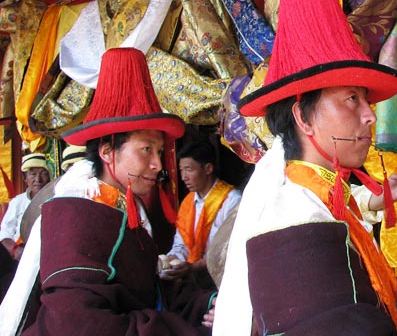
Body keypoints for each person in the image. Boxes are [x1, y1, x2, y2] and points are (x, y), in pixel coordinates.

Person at [213, 0, 397, 336]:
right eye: (352, 98)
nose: (370, 114)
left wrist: (377, 198)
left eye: (365, 99)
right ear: (303, 117)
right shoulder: (294, 227)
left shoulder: (314, 194)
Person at [11, 48, 216, 335]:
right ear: (108, 151)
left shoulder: (125, 206)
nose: (157, 164)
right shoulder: (76, 215)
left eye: (159, 151)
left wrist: (209, 304)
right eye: (146, 149)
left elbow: (148, 293)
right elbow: (78, 324)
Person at [160, 141, 242, 288]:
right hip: (194, 279)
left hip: (223, 280)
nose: (184, 177)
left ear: (208, 169)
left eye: (189, 170)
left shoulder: (232, 200)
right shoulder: (188, 202)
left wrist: (193, 267)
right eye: (181, 170)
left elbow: (230, 250)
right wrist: (171, 260)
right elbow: (181, 244)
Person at [0, 153, 50, 261]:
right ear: (25, 178)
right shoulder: (18, 202)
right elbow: (4, 232)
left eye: (44, 174)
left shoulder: (55, 199)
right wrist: (15, 250)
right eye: (33, 174)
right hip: (21, 251)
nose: (38, 179)